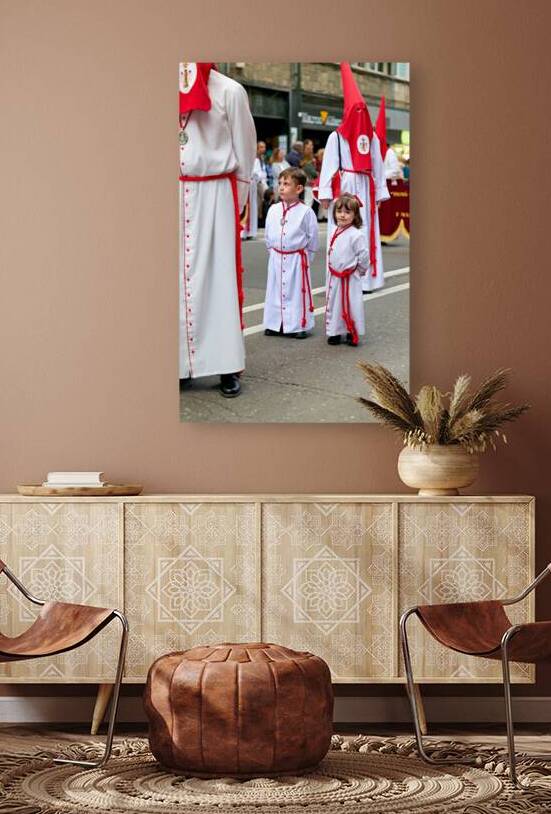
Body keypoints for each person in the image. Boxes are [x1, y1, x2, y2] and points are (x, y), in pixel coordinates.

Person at [179, 62, 256, 399]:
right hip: (177, 191)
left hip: (214, 193)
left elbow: (245, 151)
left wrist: (233, 204)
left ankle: (226, 365)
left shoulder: (230, 91)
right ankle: (181, 363)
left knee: (220, 280)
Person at [318, 63, 389, 293]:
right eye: (355, 110)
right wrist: (326, 195)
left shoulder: (373, 139)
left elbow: (378, 167)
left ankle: (366, 278)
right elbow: (328, 167)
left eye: (363, 110)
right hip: (346, 186)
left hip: (366, 187)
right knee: (341, 229)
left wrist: (379, 192)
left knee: (363, 228)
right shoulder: (336, 138)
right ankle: (338, 272)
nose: (359, 114)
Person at [263, 167, 318, 339]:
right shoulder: (273, 210)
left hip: (297, 259)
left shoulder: (306, 212)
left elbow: (312, 240)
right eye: (280, 183)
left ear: (299, 189)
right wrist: (273, 252)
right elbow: (267, 235)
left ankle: (297, 325)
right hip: (276, 256)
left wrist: (304, 259)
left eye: (286, 184)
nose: (281, 187)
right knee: (275, 291)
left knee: (295, 293)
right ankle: (274, 323)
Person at [325, 194, 369, 346]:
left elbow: (363, 255)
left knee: (352, 304)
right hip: (335, 276)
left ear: (355, 215)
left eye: (347, 212)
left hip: (350, 277)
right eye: (339, 211)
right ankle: (334, 332)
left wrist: (360, 270)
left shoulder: (356, 235)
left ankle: (352, 331)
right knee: (334, 303)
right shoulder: (334, 231)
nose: (342, 215)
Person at [242, 141, 268, 239]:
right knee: (243, 208)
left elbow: (259, 174)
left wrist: (253, 176)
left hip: (251, 187)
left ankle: (251, 232)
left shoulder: (255, 160)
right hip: (243, 186)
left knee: (252, 208)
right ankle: (242, 232)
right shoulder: (240, 159)